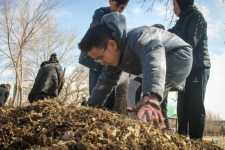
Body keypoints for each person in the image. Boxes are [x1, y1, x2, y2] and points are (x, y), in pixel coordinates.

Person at [78, 12, 193, 126]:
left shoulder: (139, 37)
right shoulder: (115, 55)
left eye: (100, 58)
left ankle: (138, 132)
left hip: (177, 56)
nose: (101, 63)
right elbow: (104, 83)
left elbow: (154, 57)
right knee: (140, 94)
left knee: (136, 88)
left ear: (112, 45)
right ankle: (149, 129)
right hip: (160, 61)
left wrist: (151, 95)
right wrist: (89, 108)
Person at [168, 0, 211, 139]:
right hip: (186, 68)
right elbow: (170, 36)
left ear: (182, 3)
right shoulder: (181, 21)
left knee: (195, 106)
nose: (173, 8)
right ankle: (181, 139)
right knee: (182, 106)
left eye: (174, 4)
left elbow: (189, 44)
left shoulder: (197, 17)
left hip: (198, 66)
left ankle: (196, 142)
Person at [78, 0, 129, 110]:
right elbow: (95, 34)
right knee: (98, 85)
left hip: (109, 55)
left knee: (111, 86)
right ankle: (94, 110)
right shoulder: (100, 13)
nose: (118, 10)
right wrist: (101, 57)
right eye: (116, 6)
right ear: (110, 1)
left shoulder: (119, 19)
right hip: (96, 58)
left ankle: (108, 112)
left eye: (122, 8)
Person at [127, 24, 171, 129]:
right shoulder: (145, 42)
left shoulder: (158, 44)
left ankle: (137, 127)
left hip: (161, 76)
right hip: (158, 79)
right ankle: (158, 128)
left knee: (135, 88)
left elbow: (155, 62)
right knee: (156, 106)